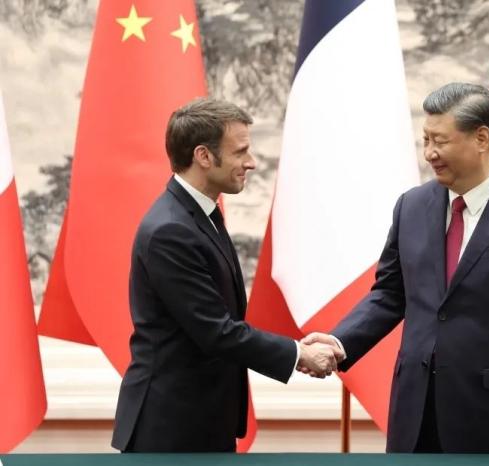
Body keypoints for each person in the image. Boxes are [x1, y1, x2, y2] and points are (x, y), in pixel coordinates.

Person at [302, 83, 489, 454]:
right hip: (415, 409)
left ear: (481, 138)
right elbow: (390, 294)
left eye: (440, 141)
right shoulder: (411, 207)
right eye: (426, 140)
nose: (429, 153)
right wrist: (339, 342)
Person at [112, 98, 341, 452]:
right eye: (240, 152)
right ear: (204, 156)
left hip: (200, 421)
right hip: (170, 431)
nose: (251, 162)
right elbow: (216, 331)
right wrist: (298, 354)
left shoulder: (197, 214)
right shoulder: (170, 230)